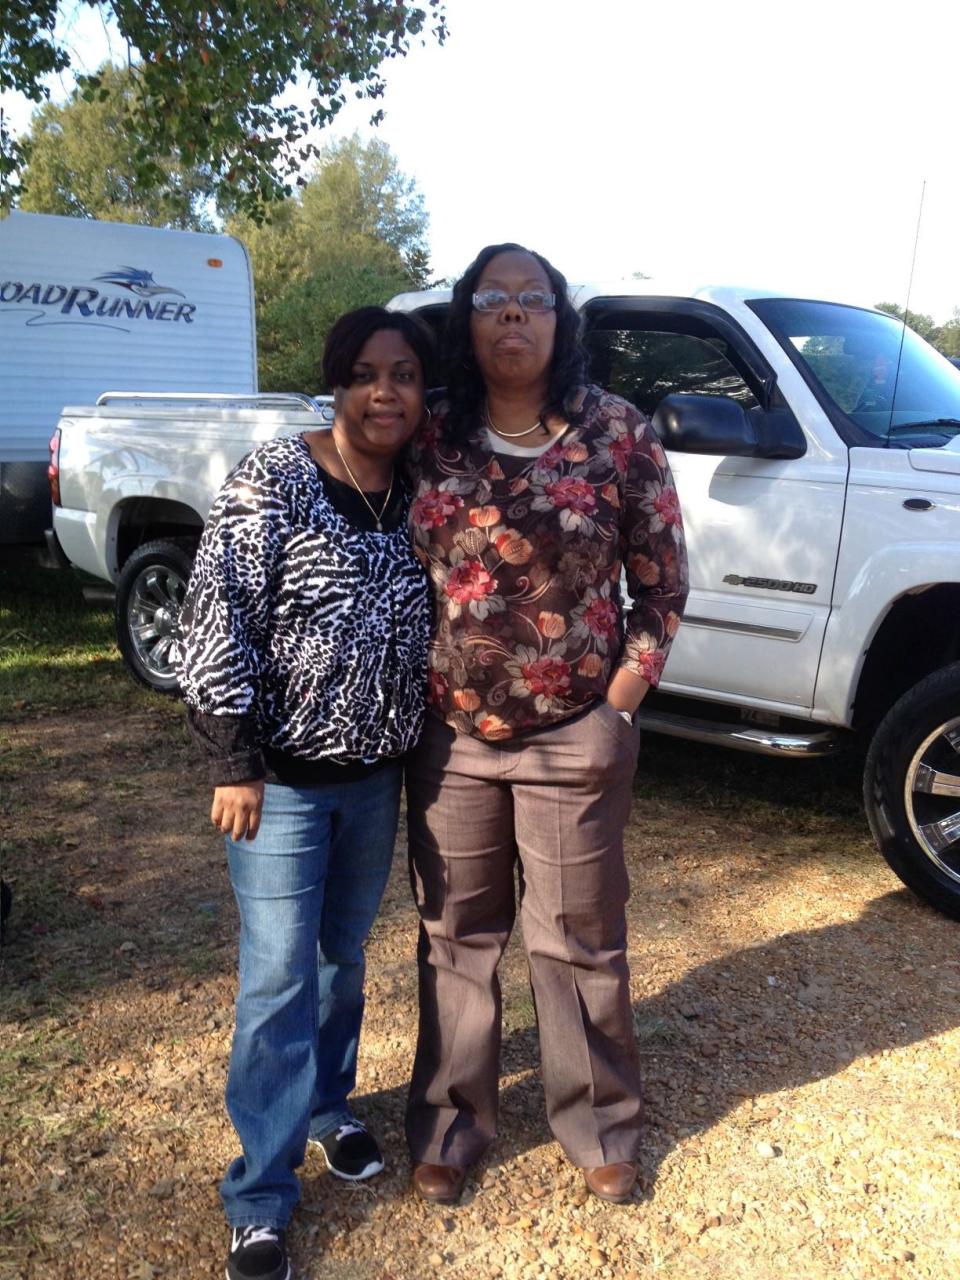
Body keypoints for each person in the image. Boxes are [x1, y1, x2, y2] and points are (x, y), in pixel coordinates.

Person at [404, 244, 689, 1206]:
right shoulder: (432, 434)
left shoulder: (618, 432)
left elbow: (663, 587)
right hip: (451, 738)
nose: (514, 317)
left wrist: (621, 704)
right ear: (467, 319)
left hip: (576, 731)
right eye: (494, 301)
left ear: (561, 321)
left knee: (578, 937)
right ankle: (451, 1123)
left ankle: (600, 1123)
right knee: (456, 935)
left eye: (534, 301)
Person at [176, 307, 434, 1280]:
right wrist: (232, 757)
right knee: (277, 976)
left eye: (404, 374)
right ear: (335, 382)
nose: (384, 392)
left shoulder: (419, 493)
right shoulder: (273, 480)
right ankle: (260, 1196)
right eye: (366, 373)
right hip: (280, 782)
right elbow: (215, 616)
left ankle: (330, 1105)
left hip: (374, 780)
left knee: (339, 961)